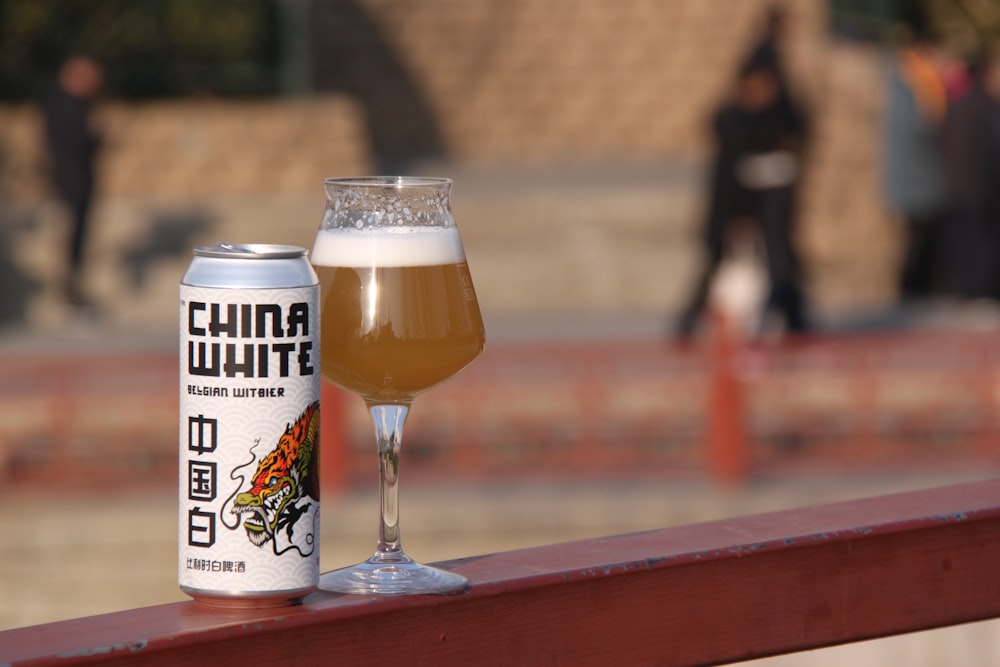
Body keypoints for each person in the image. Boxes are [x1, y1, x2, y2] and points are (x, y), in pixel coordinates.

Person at [676, 54, 810, 338]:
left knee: (781, 268)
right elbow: (728, 178)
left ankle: (798, 326)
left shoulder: (779, 116)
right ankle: (686, 327)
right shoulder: (732, 122)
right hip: (732, 211)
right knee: (714, 267)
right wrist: (736, 218)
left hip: (768, 211)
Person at [882, 33, 950, 301]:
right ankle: (911, 290)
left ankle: (920, 288)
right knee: (916, 239)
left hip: (921, 178)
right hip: (915, 179)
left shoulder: (916, 84)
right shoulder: (914, 86)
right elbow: (920, 128)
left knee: (924, 237)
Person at [40, 55, 104, 311]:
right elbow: (74, 146)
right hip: (68, 183)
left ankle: (72, 291)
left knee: (78, 240)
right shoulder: (64, 106)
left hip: (79, 183)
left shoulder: (77, 105)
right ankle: (67, 294)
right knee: (67, 241)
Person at [940, 50, 1000, 301]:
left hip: (961, 185)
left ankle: (969, 289)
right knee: (978, 244)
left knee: (966, 241)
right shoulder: (982, 106)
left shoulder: (963, 104)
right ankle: (978, 290)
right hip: (978, 187)